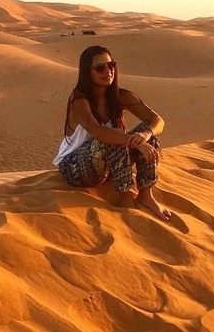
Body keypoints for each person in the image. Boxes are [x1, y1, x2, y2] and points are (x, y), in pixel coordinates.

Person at [54, 45, 170, 220]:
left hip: (107, 166)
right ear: (87, 72)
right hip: (74, 168)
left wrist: (144, 135)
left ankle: (146, 195)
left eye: (111, 65)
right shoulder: (79, 100)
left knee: (147, 131)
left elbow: (157, 121)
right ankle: (125, 198)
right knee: (113, 135)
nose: (108, 71)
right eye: (100, 68)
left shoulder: (120, 96)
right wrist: (134, 141)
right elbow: (98, 132)